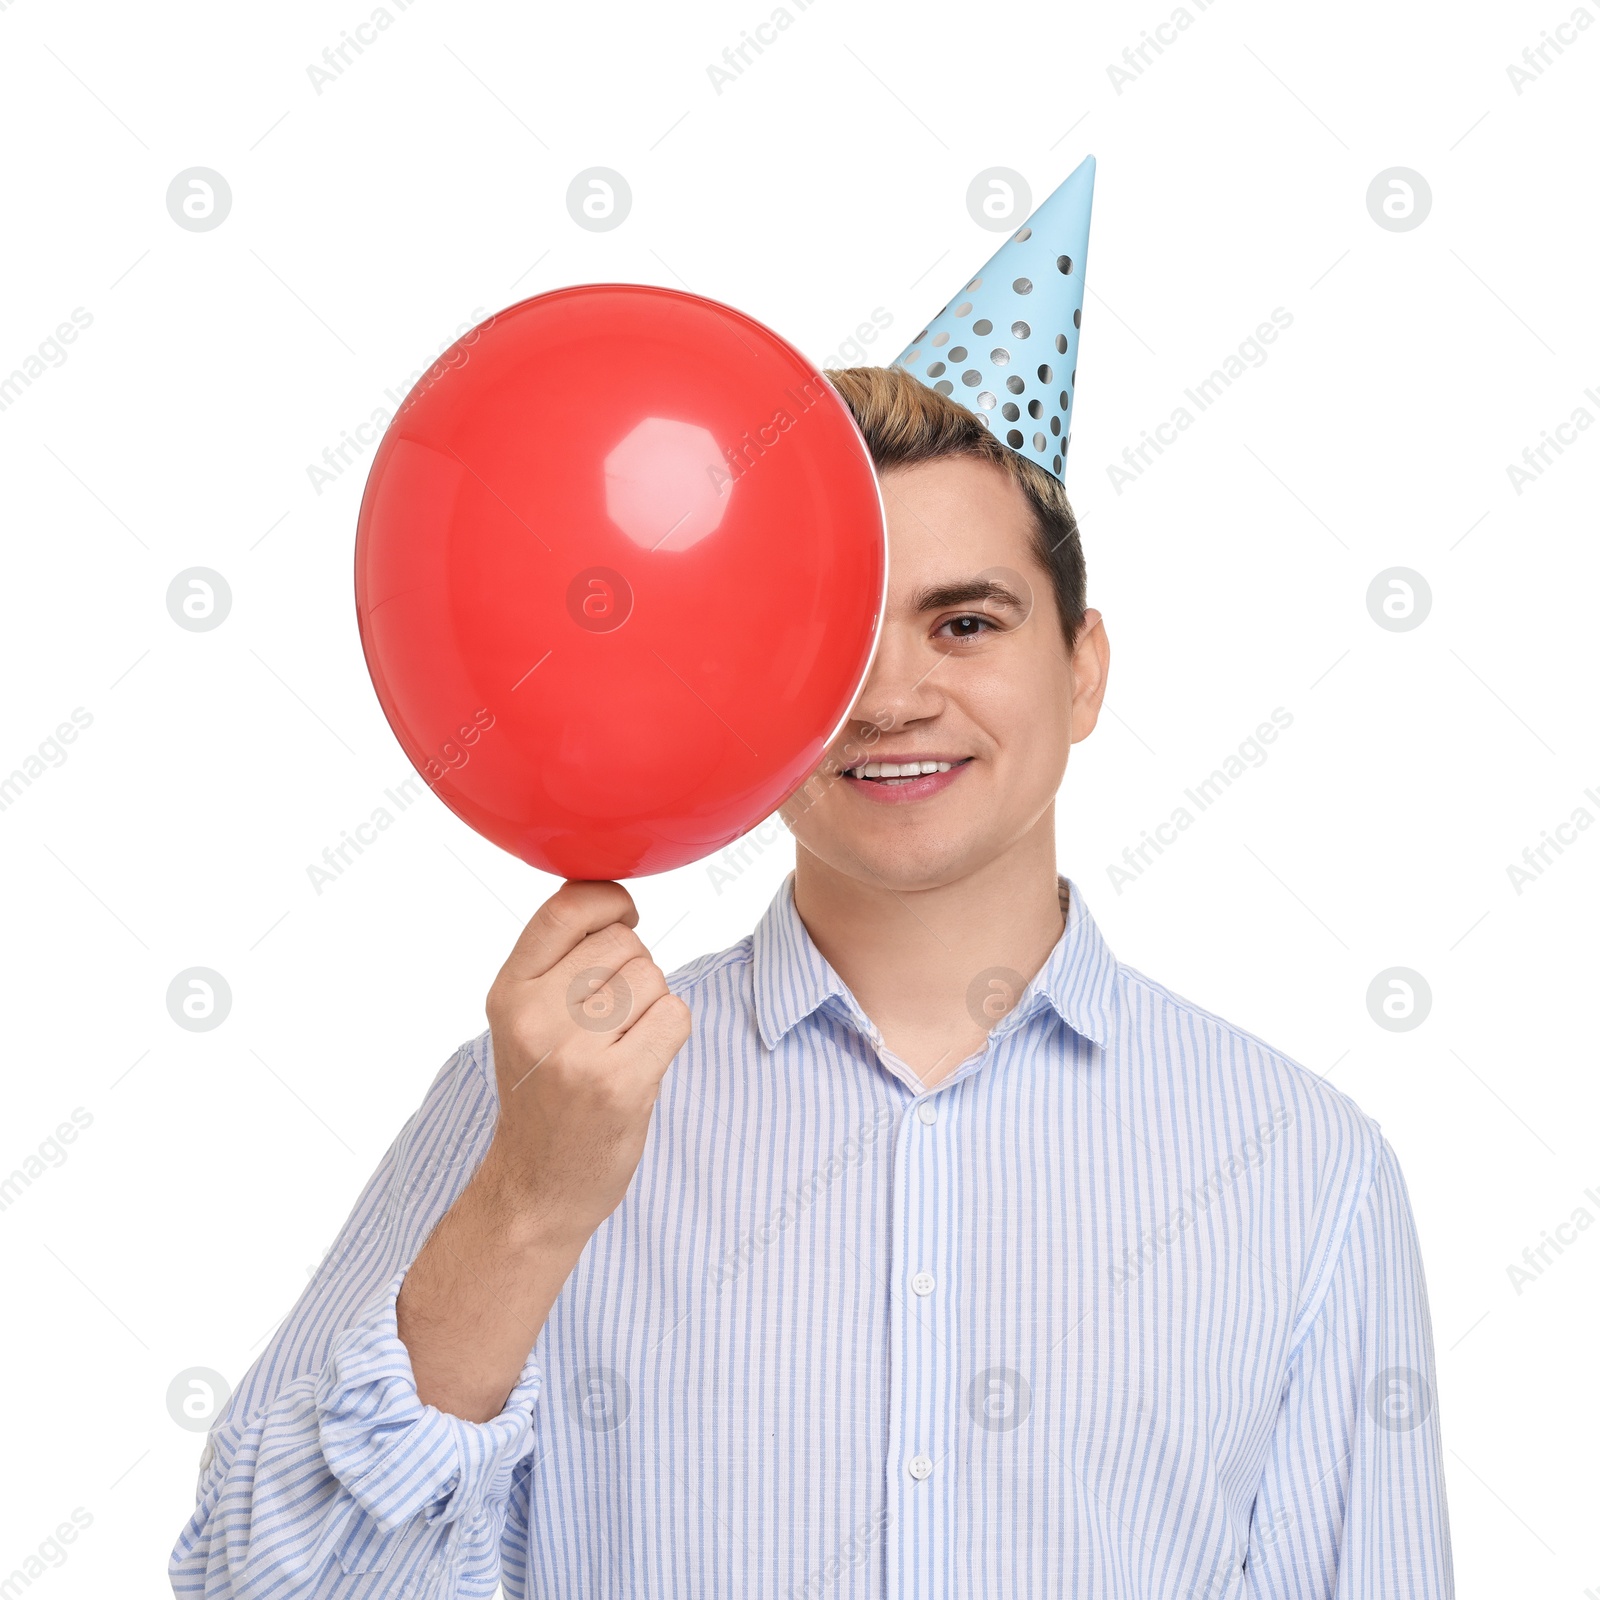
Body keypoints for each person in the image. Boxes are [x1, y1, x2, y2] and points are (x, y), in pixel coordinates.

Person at [170, 164, 1453, 1599]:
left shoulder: (1301, 1165)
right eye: (828, 631)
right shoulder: (533, 1105)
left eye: (965, 622)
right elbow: (252, 1580)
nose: (892, 694)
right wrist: (529, 1210)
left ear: (1084, 669)